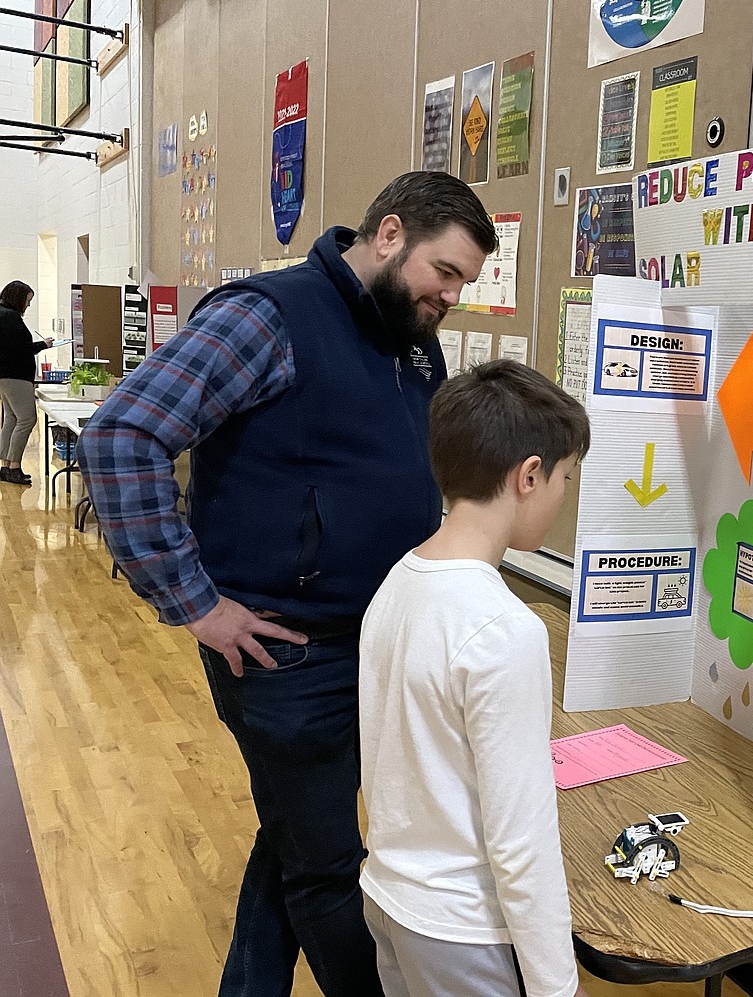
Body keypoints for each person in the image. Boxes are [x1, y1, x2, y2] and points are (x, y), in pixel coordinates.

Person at [76, 172, 497, 997]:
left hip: (373, 640)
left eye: (464, 284)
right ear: (388, 234)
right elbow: (121, 437)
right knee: (328, 871)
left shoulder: (410, 334)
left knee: (301, 833)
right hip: (284, 653)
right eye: (444, 272)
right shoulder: (265, 318)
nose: (451, 296)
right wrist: (195, 604)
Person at [359, 359, 591, 997]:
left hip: (388, 896)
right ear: (529, 475)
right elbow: (523, 842)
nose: (561, 496)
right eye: (565, 479)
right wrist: (556, 987)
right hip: (461, 931)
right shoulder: (506, 631)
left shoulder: (398, 581)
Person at [0, 280, 54, 485]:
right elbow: (20, 349)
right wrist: (44, 345)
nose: (28, 305)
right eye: (27, 300)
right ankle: (14, 466)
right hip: (16, 376)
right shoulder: (11, 317)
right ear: (18, 298)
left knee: (11, 420)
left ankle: (5, 466)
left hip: (5, 376)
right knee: (27, 419)